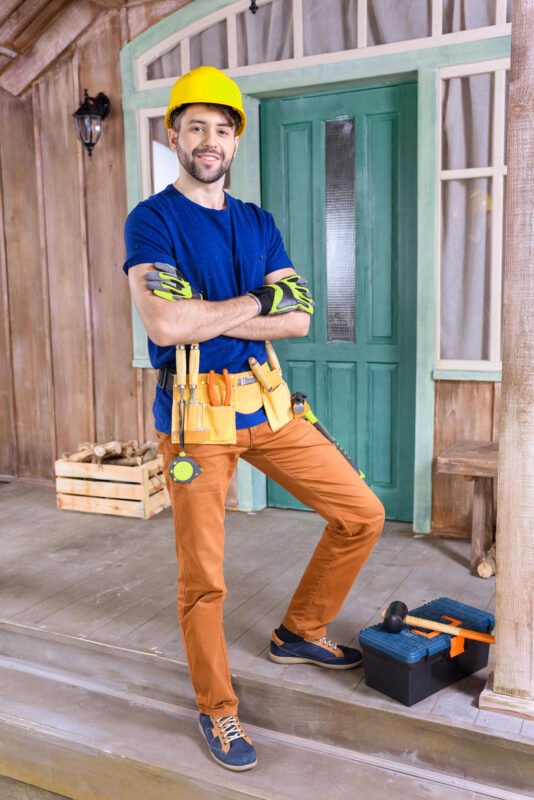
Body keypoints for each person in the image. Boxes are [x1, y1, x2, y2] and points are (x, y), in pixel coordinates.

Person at [124, 65, 385, 773]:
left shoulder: (257, 222)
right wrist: (254, 303)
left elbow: (298, 317)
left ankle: (299, 630)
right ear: (174, 135)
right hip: (192, 419)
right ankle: (217, 708)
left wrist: (213, 312)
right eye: (196, 127)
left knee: (361, 514)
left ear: (236, 140)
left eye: (222, 128)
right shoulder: (152, 220)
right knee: (203, 579)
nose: (209, 140)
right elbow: (166, 323)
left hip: (267, 406)